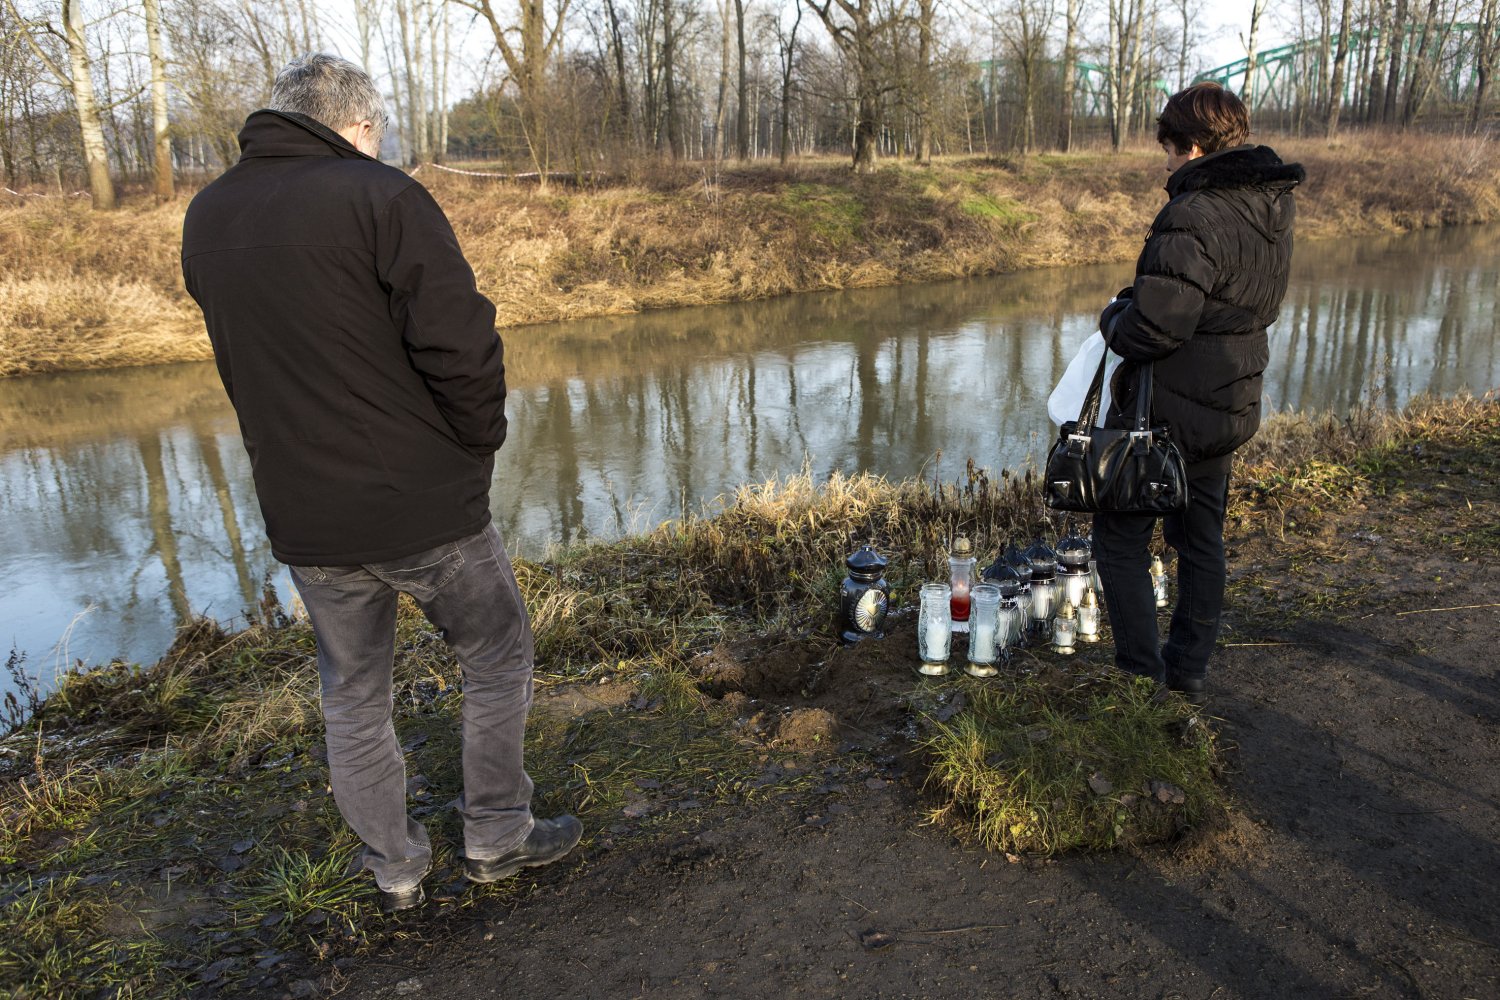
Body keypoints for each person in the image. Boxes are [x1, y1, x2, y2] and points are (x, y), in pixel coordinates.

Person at [181, 53, 580, 912]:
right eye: (378, 130)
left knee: (352, 694)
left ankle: (396, 869)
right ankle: (498, 837)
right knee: (496, 652)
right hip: (423, 505)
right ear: (355, 125)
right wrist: (477, 452)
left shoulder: (207, 214)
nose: (380, 141)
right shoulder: (382, 196)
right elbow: (461, 343)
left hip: (305, 513)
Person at [1092, 82, 1304, 703]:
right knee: (1201, 539)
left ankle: (1139, 675)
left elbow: (1155, 327)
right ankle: (1186, 669)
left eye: (1166, 146)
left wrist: (1113, 316)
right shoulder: (1270, 205)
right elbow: (1230, 301)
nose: (1162, 160)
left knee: (1119, 538)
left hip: (1171, 411)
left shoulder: (1194, 211)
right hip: (1232, 398)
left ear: (1190, 146)